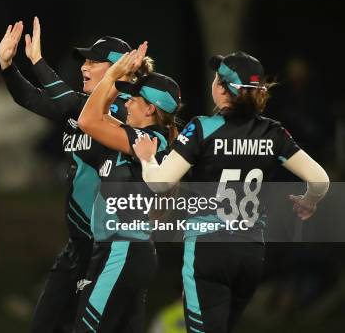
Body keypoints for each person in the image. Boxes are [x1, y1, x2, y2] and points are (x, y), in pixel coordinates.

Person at [133, 51, 330, 333]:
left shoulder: (202, 127)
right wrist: (309, 201)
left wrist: (147, 159)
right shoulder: (273, 132)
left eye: (217, 79)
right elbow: (319, 180)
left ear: (223, 89)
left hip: (208, 251)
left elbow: (160, 183)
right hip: (250, 255)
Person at [0, 18, 153, 332]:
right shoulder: (80, 111)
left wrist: (37, 62)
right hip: (77, 248)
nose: (84, 66)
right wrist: (7, 66)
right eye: (85, 59)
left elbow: (72, 106)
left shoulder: (125, 110)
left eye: (94, 61)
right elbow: (29, 98)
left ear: (115, 70)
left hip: (111, 248)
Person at [75, 48, 182, 332]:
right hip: (126, 250)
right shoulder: (136, 137)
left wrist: (111, 74)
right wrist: (120, 77)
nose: (126, 105)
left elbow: (86, 121)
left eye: (133, 100)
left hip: (121, 251)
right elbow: (95, 114)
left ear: (150, 108)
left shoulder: (146, 139)